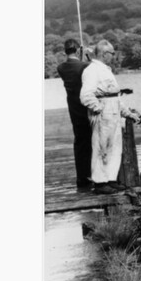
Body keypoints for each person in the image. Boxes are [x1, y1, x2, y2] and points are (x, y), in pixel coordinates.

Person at [79, 40, 141, 195]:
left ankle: (110, 179)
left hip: (112, 110)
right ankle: (100, 182)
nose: (113, 56)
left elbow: (115, 97)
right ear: (103, 53)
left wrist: (129, 114)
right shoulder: (92, 70)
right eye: (112, 53)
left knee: (114, 147)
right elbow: (86, 95)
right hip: (103, 112)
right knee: (101, 147)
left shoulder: (105, 70)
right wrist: (98, 108)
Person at [56, 38, 92, 189]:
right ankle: (92, 175)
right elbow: (86, 70)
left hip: (74, 109)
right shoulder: (85, 66)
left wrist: (81, 58)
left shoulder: (61, 68)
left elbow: (74, 68)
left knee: (80, 142)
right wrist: (87, 58)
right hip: (87, 107)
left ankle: (81, 177)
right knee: (91, 141)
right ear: (78, 50)